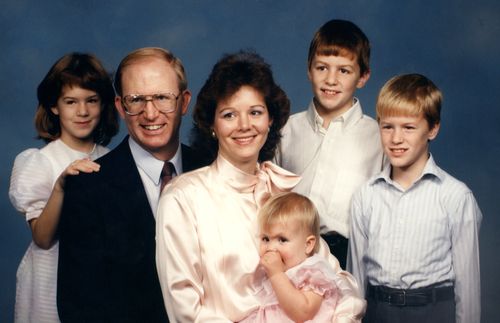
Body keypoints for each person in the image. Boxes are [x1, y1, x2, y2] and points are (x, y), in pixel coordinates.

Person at [156, 50, 365, 323]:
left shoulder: (281, 191)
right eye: (229, 115)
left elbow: (335, 280)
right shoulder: (182, 198)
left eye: (255, 112)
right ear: (212, 125)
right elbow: (187, 311)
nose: (244, 125)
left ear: (270, 121)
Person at [57, 47, 206, 323]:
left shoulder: (213, 169)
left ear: (184, 102)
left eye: (162, 97)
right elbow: (78, 309)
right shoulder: (88, 189)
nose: (150, 113)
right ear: (120, 107)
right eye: (136, 99)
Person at [347, 73, 482, 323]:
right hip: (377, 312)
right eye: (387, 126)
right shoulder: (365, 196)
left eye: (409, 127)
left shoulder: (455, 196)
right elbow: (355, 279)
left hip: (432, 313)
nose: (396, 139)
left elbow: (468, 286)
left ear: (432, 129)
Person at [8, 53, 119, 323]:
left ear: (103, 104)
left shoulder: (113, 160)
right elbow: (43, 239)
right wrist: (61, 185)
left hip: (97, 287)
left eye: (91, 101)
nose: (82, 112)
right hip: (49, 288)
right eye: (71, 102)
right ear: (54, 106)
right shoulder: (39, 161)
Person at [274, 19, 385, 269]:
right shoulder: (286, 130)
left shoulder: (378, 138)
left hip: (350, 257)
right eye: (322, 68)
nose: (331, 80)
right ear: (309, 69)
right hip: (290, 257)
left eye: (344, 70)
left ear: (363, 76)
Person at [240, 192, 342, 322]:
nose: (271, 248)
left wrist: (276, 275)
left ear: (308, 245)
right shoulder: (269, 274)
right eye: (266, 239)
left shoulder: (312, 273)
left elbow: (303, 313)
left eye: (282, 240)